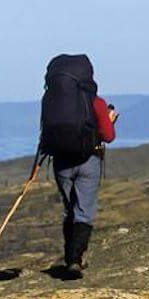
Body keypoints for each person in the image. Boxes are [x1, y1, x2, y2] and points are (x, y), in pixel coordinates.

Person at [39, 54, 118, 278]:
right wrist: (109, 120)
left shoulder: (50, 100)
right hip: (88, 161)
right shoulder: (97, 103)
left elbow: (46, 132)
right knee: (84, 211)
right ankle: (75, 260)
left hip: (62, 162)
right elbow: (108, 136)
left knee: (69, 209)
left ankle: (69, 258)